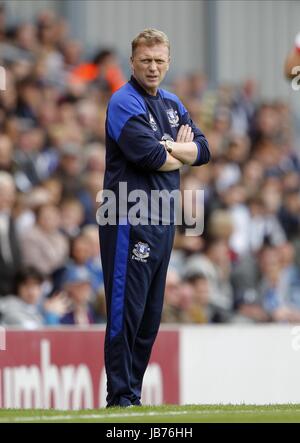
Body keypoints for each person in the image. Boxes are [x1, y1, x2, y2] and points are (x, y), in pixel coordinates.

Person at [98, 28, 210, 407]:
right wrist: (180, 150)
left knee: (149, 317)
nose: (153, 67)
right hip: (128, 217)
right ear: (132, 62)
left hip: (163, 220)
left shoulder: (173, 103)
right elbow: (151, 157)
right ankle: (120, 397)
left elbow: (205, 149)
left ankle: (133, 393)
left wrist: (172, 146)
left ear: (168, 63)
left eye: (159, 60)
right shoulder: (123, 102)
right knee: (125, 311)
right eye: (145, 60)